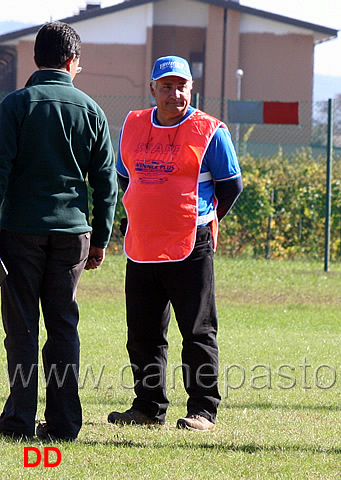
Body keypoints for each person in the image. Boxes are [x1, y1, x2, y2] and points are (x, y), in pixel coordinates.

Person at [107, 56, 242, 431]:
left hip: (190, 243)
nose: (174, 93)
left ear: (191, 88)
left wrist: (206, 220)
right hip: (142, 243)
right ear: (152, 89)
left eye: (181, 85)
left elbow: (231, 187)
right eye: (166, 86)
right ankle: (148, 408)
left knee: (197, 331)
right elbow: (125, 177)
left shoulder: (210, 130)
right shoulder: (133, 125)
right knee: (143, 333)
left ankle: (203, 410)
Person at [0, 22, 117, 441]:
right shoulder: (91, 110)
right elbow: (106, 182)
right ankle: (65, 424)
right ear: (73, 61)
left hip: (19, 231)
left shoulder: (14, 106)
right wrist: (101, 238)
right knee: (63, 324)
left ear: (35, 59)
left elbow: (0, 174)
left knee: (22, 326)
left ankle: (18, 420)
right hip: (73, 235)